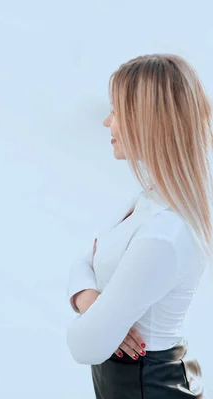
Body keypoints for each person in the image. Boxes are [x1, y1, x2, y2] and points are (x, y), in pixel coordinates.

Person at [66, 54, 209, 398]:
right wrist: (93, 303)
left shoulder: (165, 231)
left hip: (151, 386)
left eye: (115, 111)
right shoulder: (150, 198)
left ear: (146, 121)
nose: (105, 122)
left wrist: (96, 316)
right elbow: (82, 262)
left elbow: (84, 345)